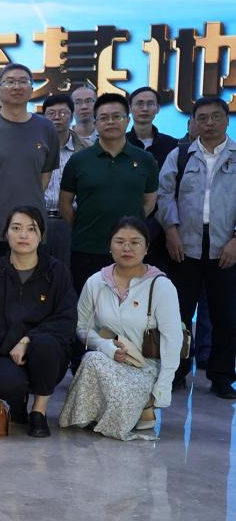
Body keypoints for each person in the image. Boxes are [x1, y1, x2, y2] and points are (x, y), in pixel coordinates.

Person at [59, 217, 183, 440]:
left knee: (120, 399)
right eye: (119, 241)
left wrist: (161, 390)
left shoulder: (161, 286)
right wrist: (105, 346)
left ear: (146, 247)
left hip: (146, 368)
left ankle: (144, 405)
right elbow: (81, 326)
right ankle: (100, 414)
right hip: (108, 362)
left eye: (135, 242)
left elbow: (173, 340)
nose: (127, 248)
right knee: (92, 359)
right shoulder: (96, 282)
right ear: (110, 245)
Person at [0, 206, 76, 438]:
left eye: (31, 229)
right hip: (5, 354)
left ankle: (38, 411)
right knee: (7, 382)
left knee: (45, 345)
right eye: (16, 228)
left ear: (41, 235)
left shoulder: (56, 272)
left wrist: (28, 339)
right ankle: (17, 405)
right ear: (6, 234)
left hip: (47, 355)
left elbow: (66, 319)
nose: (23, 235)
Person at [0, 64, 59, 314]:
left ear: (32, 88)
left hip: (32, 230)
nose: (17, 86)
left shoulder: (46, 128)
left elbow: (44, 178)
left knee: (30, 298)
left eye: (23, 81)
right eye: (10, 81)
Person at [157, 96, 236, 397]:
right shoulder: (179, 155)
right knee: (178, 314)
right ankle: (176, 372)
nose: (209, 123)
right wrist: (171, 231)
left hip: (226, 246)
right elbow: (164, 195)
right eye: (202, 118)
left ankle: (222, 376)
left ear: (227, 120)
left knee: (226, 316)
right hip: (184, 244)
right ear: (193, 123)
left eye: (216, 117)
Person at [59, 92, 158, 295]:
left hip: (130, 250)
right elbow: (65, 203)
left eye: (117, 116)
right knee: (87, 305)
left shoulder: (146, 159)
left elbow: (149, 202)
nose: (110, 122)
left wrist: (132, 224)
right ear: (95, 123)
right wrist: (83, 224)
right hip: (87, 248)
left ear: (127, 120)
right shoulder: (79, 160)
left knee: (129, 304)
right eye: (104, 118)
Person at [126, 86, 179, 269]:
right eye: (139, 103)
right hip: (125, 221)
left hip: (162, 226)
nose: (145, 108)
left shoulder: (172, 145)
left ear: (157, 108)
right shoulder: (119, 143)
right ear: (130, 108)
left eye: (150, 104)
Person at [41, 93, 90, 271]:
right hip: (38, 221)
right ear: (43, 116)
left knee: (68, 274)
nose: (57, 117)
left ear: (72, 115)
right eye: (51, 113)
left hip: (71, 222)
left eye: (63, 113)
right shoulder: (32, 148)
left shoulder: (86, 150)